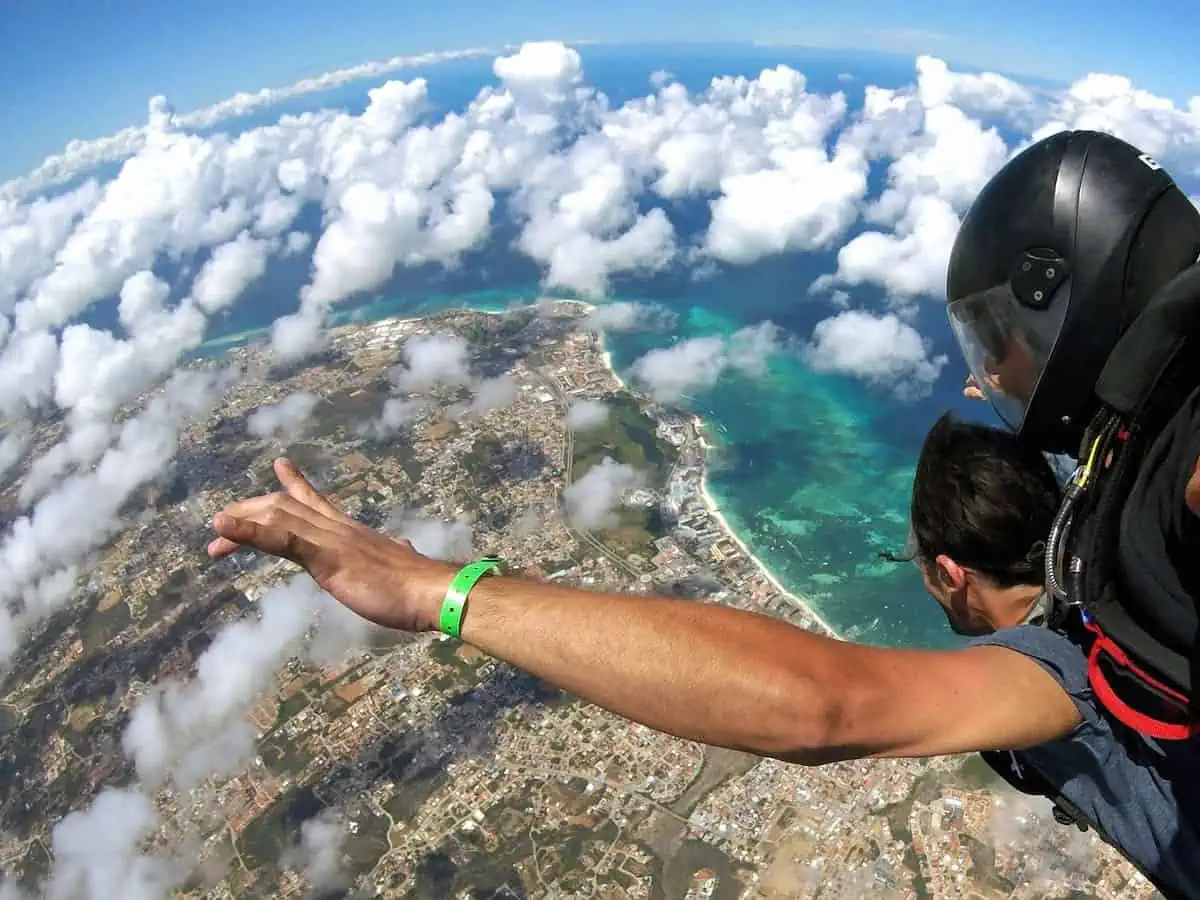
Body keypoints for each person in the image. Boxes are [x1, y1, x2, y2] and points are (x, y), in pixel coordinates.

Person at [206, 419, 1198, 896]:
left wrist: (441, 591)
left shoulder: (1076, 663)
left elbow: (824, 705)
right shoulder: (1141, 592)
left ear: (946, 574)